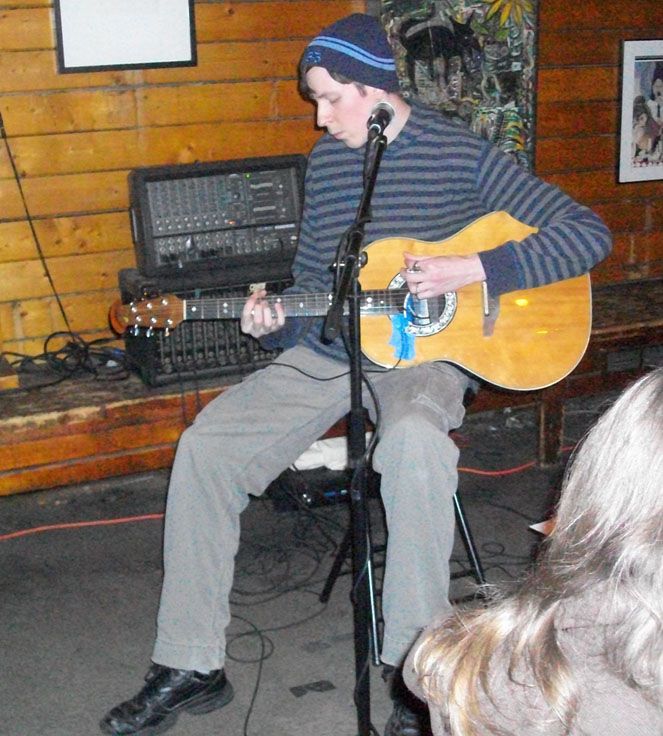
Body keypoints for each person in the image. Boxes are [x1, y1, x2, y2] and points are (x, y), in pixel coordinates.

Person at [100, 13, 612, 736]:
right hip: (334, 351)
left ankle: (416, 674)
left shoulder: (461, 155)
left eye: (329, 99)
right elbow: (316, 283)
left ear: (373, 92)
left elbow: (588, 233)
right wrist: (276, 320)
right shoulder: (331, 165)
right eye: (316, 100)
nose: (320, 117)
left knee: (413, 444)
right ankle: (191, 663)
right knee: (206, 447)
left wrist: (475, 267)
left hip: (426, 357)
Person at [405, 368, 663, 735]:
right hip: (333, 364)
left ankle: (404, 638)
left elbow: (425, 665)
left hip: (424, 369)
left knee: (414, 437)